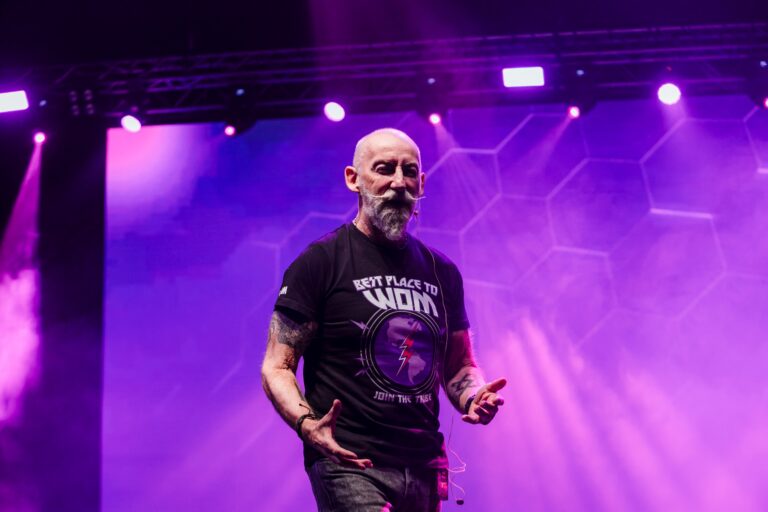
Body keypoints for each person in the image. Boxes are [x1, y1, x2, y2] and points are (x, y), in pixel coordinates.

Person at [261, 128, 506, 512]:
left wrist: (475, 396)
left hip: (424, 465)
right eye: (384, 169)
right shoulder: (320, 262)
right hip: (349, 461)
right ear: (353, 179)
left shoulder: (442, 271)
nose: (398, 182)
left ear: (421, 184)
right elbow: (277, 366)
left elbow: (458, 365)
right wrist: (307, 425)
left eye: (409, 172)